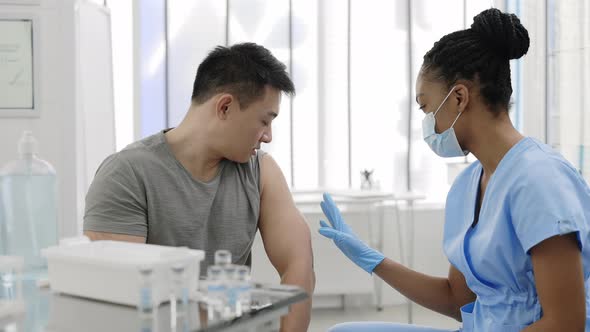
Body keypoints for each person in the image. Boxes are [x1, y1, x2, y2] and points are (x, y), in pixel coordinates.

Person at [319, 8, 590, 332]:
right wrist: (374, 260)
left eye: (425, 106)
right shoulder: (467, 186)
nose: (426, 121)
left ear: (459, 97)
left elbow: (565, 323)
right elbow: (455, 298)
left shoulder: (540, 180)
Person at [83, 43, 315, 332]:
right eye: (264, 121)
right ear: (225, 106)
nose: (268, 136)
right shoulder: (126, 175)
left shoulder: (261, 172)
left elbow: (299, 265)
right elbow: (120, 299)